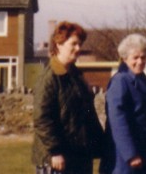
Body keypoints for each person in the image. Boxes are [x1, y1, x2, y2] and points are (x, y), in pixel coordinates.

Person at [31, 21, 104, 173]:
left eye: (80, 44)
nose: (78, 49)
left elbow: (87, 114)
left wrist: (101, 144)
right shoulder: (49, 77)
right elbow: (42, 118)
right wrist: (55, 151)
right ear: (59, 44)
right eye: (74, 44)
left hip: (78, 156)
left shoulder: (76, 76)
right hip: (57, 160)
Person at [100, 34, 146, 174]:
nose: (140, 61)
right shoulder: (120, 81)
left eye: (143, 57)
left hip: (144, 151)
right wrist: (130, 154)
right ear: (125, 58)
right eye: (135, 58)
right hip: (123, 156)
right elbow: (118, 121)